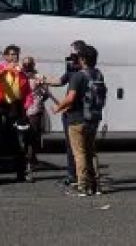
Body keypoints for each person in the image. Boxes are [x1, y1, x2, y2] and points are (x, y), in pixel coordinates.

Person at [54, 44, 106, 196]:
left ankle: (82, 187)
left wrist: (58, 108)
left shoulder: (78, 76)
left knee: (79, 153)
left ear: (82, 59)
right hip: (93, 119)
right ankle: (95, 186)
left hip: (77, 119)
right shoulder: (98, 74)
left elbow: (70, 98)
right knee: (90, 152)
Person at [0, 44, 31, 183]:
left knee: (19, 141)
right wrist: (6, 69)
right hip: (0, 106)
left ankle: (20, 173)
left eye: (15, 55)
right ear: (5, 56)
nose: (12, 57)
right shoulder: (0, 69)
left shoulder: (21, 73)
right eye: (10, 54)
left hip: (15, 107)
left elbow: (27, 92)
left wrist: (26, 106)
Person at [46, 39, 87, 187]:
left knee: (76, 148)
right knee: (78, 147)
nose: (69, 57)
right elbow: (60, 81)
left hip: (75, 113)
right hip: (76, 114)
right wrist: (44, 80)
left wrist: (58, 108)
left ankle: (78, 178)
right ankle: (78, 176)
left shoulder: (81, 73)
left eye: (73, 54)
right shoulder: (72, 70)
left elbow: (71, 97)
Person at [20, 56, 60, 182]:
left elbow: (47, 94)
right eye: (25, 64)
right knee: (22, 140)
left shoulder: (38, 77)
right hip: (21, 111)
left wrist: (38, 100)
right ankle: (23, 167)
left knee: (31, 139)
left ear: (33, 65)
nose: (27, 67)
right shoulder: (19, 76)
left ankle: (29, 168)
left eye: (29, 64)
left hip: (34, 111)